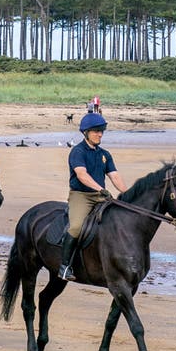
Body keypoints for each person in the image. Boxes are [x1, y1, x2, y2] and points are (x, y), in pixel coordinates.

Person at [58, 112, 126, 281]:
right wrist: (100, 189)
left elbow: (115, 176)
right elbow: (82, 175)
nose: (100, 134)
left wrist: (127, 195)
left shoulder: (105, 154)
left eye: (101, 131)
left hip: (100, 195)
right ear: (86, 132)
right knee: (75, 227)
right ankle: (64, 266)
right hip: (81, 196)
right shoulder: (77, 151)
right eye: (96, 131)